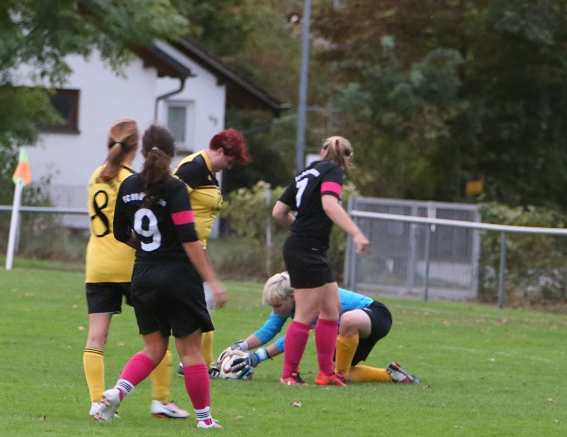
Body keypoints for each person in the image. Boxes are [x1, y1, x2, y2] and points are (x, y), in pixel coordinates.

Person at [91, 123, 228, 429]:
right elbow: (189, 240)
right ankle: (205, 421)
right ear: (172, 152)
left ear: (143, 151)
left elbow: (120, 233)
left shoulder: (128, 187)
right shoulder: (175, 188)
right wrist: (213, 281)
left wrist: (148, 250)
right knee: (190, 351)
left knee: (153, 348)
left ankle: (116, 392)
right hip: (179, 276)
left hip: (143, 275)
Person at [82, 118, 187, 420]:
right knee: (157, 338)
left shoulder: (95, 177)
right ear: (136, 148)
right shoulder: (135, 181)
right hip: (133, 265)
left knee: (95, 338)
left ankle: (96, 402)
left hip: (98, 266)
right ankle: (161, 400)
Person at [271, 135, 370, 386]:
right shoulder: (333, 171)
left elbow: (279, 212)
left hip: (307, 247)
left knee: (331, 309)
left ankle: (326, 372)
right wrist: (356, 233)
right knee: (305, 313)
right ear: (346, 158)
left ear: (322, 151)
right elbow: (329, 204)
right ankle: (289, 375)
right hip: (307, 249)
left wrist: (299, 231)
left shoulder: (307, 172)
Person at [222, 271, 422, 384]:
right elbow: (268, 330)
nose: (275, 310)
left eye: (277, 306)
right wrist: (240, 348)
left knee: (348, 320)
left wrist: (258, 357)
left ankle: (338, 375)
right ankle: (392, 374)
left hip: (375, 315)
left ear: (292, 297)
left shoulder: (311, 299)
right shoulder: (288, 304)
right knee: (346, 374)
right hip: (347, 330)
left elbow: (293, 338)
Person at [173, 129, 251, 377]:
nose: (229, 166)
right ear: (219, 150)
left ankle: (198, 365)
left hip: (197, 248)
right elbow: (170, 203)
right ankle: (195, 365)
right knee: (202, 305)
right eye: (228, 160)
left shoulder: (208, 173)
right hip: (184, 249)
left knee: (205, 306)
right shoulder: (192, 168)